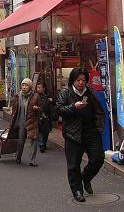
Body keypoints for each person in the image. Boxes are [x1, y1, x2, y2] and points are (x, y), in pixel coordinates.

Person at [56, 68, 105, 203]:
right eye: (78, 80)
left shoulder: (90, 93)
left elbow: (99, 111)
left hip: (91, 132)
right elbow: (59, 110)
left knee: (98, 158)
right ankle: (77, 190)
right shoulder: (65, 93)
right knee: (73, 165)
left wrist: (98, 128)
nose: (81, 83)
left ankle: (86, 177)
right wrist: (73, 107)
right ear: (73, 80)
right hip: (73, 134)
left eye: (83, 80)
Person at [8, 78, 41, 166]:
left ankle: (32, 160)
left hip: (32, 121)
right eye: (23, 85)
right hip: (21, 122)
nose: (24, 87)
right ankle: (18, 157)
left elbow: (40, 108)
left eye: (26, 85)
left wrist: (37, 109)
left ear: (30, 86)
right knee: (21, 141)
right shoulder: (18, 96)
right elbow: (14, 107)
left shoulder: (35, 96)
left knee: (34, 140)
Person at [35, 81, 54, 152]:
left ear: (44, 88)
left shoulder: (48, 96)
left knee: (46, 132)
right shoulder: (35, 96)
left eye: (40, 87)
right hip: (38, 116)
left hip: (47, 117)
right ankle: (41, 144)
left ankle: (44, 143)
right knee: (40, 132)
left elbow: (53, 105)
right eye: (37, 87)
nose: (38, 89)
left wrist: (52, 101)